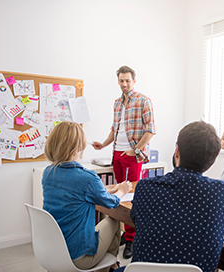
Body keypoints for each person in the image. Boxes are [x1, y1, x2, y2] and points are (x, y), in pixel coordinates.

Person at [116, 121, 224, 272]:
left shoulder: (145, 187)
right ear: (212, 160)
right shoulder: (222, 193)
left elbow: (136, 218)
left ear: (177, 151)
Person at [42, 121, 132, 272]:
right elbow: (111, 203)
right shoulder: (87, 177)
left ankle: (110, 264)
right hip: (78, 257)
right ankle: (110, 264)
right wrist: (121, 190)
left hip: (54, 250)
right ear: (80, 147)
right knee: (114, 218)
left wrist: (108, 189)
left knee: (104, 217)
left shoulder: (48, 172)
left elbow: (76, 192)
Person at [92, 65, 155, 258]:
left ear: (134, 81)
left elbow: (150, 130)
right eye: (121, 80)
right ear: (118, 81)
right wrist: (103, 144)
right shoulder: (117, 102)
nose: (124, 84)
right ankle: (124, 233)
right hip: (116, 154)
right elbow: (115, 128)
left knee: (131, 198)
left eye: (128, 80)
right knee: (120, 195)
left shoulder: (144, 100)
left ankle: (132, 238)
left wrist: (134, 150)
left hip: (133, 155)